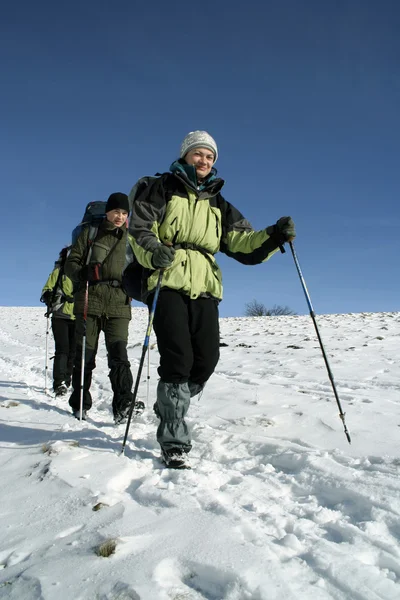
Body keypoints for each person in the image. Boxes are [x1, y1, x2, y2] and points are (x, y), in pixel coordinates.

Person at [127, 130, 296, 468]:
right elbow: (139, 229)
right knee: (178, 358)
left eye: (210, 157)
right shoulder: (159, 188)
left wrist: (274, 235)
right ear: (185, 155)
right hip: (167, 279)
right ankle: (174, 439)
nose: (204, 161)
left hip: (205, 284)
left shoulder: (219, 202)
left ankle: (170, 404)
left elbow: (242, 243)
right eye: (198, 154)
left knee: (207, 359)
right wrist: (155, 251)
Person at [65, 192, 142, 422]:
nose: (120, 217)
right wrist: (82, 272)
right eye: (116, 211)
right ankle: (80, 403)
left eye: (124, 213)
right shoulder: (90, 234)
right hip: (90, 299)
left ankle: (123, 404)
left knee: (119, 354)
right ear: (107, 212)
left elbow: (141, 267)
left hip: (120, 302)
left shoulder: (131, 239)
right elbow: (71, 263)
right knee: (85, 354)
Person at [41, 247, 76, 397]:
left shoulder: (82, 273)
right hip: (60, 315)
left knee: (73, 352)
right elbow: (46, 290)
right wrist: (50, 297)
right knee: (63, 350)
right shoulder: (59, 272)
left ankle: (67, 380)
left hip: (78, 316)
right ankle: (59, 383)